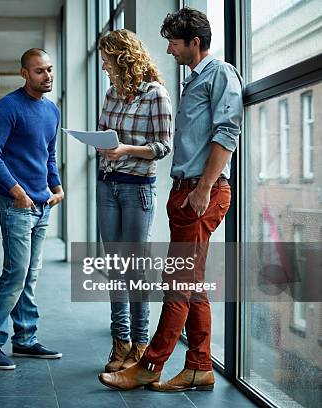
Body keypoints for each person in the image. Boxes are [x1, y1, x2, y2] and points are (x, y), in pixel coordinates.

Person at [98, 7, 243, 392]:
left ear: (195, 43)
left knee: (177, 280)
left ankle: (150, 365)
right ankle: (198, 367)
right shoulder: (193, 80)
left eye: (174, 43)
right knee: (191, 283)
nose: (168, 50)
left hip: (201, 191)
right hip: (185, 191)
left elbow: (228, 133)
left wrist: (203, 189)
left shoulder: (221, 73)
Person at [0, 48, 64, 370]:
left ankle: (25, 339)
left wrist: (57, 186)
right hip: (17, 205)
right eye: (40, 71)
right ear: (24, 73)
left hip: (43, 204)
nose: (47, 76)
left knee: (29, 275)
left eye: (50, 70)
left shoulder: (52, 111)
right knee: (16, 273)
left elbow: (48, 156)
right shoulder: (7, 108)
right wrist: (17, 191)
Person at [95, 29, 172, 374]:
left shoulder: (155, 95)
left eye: (107, 61)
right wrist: (101, 144)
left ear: (123, 58)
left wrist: (126, 149)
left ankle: (141, 345)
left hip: (138, 187)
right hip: (107, 185)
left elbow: (163, 146)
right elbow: (104, 136)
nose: (103, 68)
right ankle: (120, 342)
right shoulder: (111, 94)